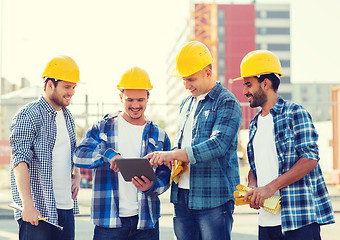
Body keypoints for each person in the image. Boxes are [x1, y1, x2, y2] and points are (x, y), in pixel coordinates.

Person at [146, 41, 242, 240]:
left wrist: (172, 154)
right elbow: (181, 145)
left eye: (191, 79)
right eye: (183, 79)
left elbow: (217, 145)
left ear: (208, 72)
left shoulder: (227, 102)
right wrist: (168, 156)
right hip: (182, 197)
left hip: (213, 199)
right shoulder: (186, 103)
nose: (186, 85)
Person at [236, 50, 335, 239]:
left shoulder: (295, 113)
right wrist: (252, 186)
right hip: (266, 221)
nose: (244, 91)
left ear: (265, 83)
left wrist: (270, 187)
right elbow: (257, 166)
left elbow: (310, 158)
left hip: (299, 219)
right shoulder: (255, 124)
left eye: (248, 84)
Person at [73, 66, 171, 240]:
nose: (135, 105)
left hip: (146, 223)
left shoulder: (159, 135)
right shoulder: (103, 127)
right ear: (121, 97)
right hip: (109, 222)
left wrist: (152, 186)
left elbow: (166, 175)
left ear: (148, 97)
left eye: (140, 99)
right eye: (129, 99)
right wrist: (108, 155)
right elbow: (79, 155)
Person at [10, 55, 81, 240]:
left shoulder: (68, 116)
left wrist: (77, 174)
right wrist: (27, 204)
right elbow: (19, 161)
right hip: (39, 210)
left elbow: (71, 152)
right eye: (67, 87)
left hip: (66, 208)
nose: (72, 92)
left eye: (74, 87)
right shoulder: (28, 114)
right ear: (50, 84)